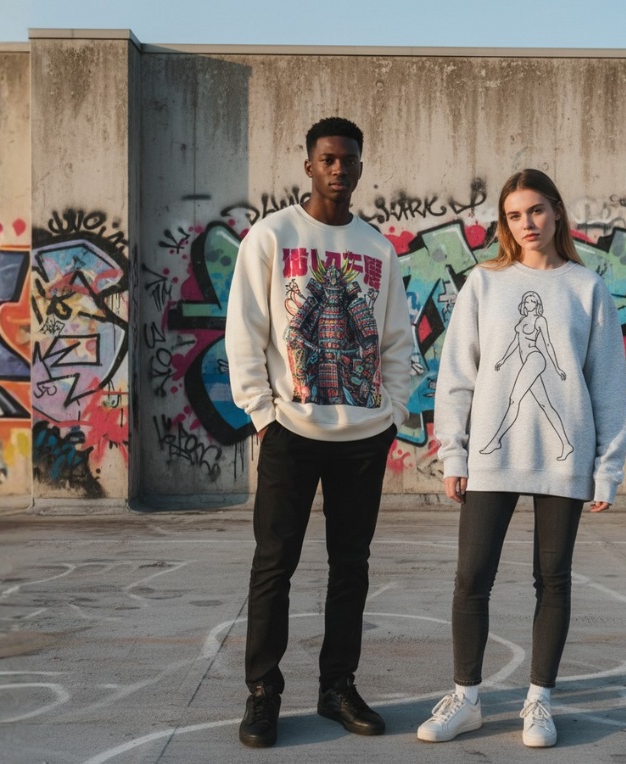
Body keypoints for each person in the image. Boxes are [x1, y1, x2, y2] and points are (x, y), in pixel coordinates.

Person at [416, 169, 626, 748]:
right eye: (515, 215)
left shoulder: (587, 288)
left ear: (557, 213)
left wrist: (607, 467)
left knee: (553, 580)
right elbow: (457, 376)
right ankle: (466, 699)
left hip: (564, 467)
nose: (527, 224)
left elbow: (609, 384)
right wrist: (454, 453)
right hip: (491, 459)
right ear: (505, 224)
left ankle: (539, 701)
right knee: (471, 579)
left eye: (536, 211)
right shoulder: (484, 284)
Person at [225, 116, 415, 749]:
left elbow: (394, 338)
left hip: (363, 432)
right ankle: (263, 694)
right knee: (274, 564)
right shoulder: (273, 235)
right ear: (308, 165)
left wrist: (391, 414)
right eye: (328, 159)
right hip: (292, 428)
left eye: (349, 160)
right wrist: (261, 412)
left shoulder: (378, 249)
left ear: (361, 168)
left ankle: (337, 687)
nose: (338, 168)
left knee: (351, 566)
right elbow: (246, 328)